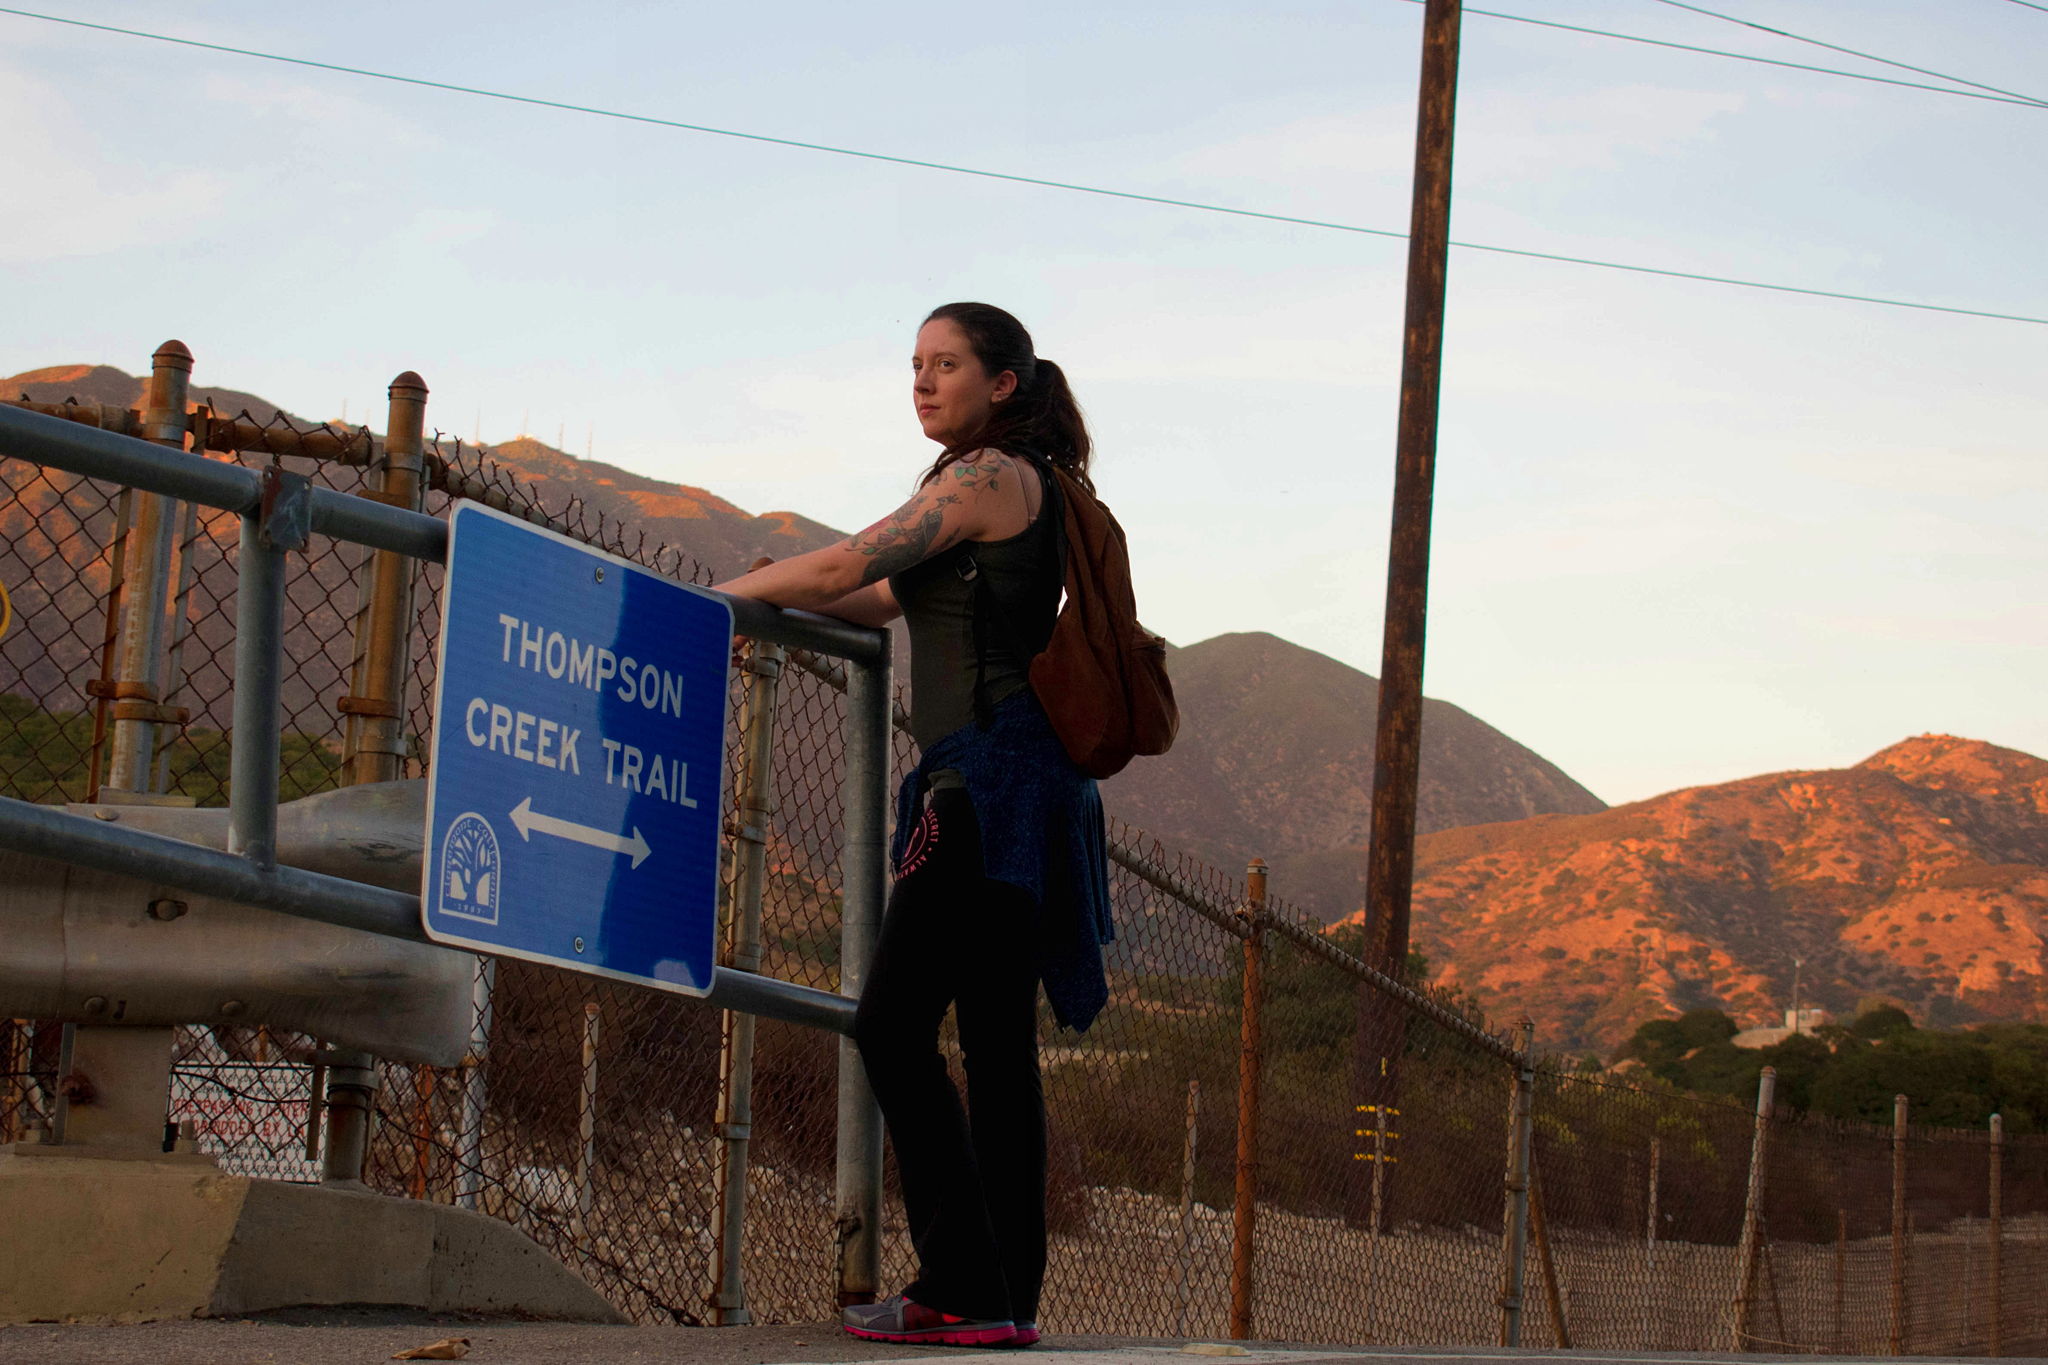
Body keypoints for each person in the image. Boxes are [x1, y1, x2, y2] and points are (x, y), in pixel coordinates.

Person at [718, 302, 1114, 1349]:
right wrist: (776, 591)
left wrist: (711, 600)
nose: (923, 382)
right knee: (992, 1047)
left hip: (986, 782)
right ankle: (998, 1298)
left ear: (1003, 385)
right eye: (914, 365)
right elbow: (882, 599)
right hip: (1026, 785)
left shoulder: (984, 479)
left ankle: (961, 1283)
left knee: (890, 1023)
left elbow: (846, 566)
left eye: (946, 365)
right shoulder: (1016, 487)